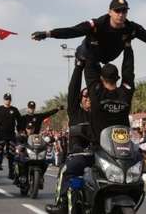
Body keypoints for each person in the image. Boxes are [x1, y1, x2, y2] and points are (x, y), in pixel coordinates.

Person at [32, 0, 146, 65]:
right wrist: (47, 34)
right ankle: (79, 59)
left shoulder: (132, 28)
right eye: (118, 11)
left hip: (109, 58)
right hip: (90, 53)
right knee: (87, 57)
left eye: (124, 11)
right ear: (110, 12)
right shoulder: (96, 23)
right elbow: (72, 31)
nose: (121, 14)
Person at [45, 59, 92, 214]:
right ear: (81, 100)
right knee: (65, 170)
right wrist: (79, 68)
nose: (88, 100)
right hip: (79, 156)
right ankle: (62, 204)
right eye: (85, 98)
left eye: (91, 97)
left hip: (99, 157)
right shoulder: (75, 112)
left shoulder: (100, 115)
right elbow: (73, 90)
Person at [0, 93, 22, 179]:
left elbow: (20, 120)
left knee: (11, 154)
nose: (8, 101)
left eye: (9, 99)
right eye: (6, 99)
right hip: (0, 135)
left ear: (11, 100)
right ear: (3, 100)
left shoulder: (14, 110)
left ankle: (11, 173)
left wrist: (20, 130)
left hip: (11, 135)